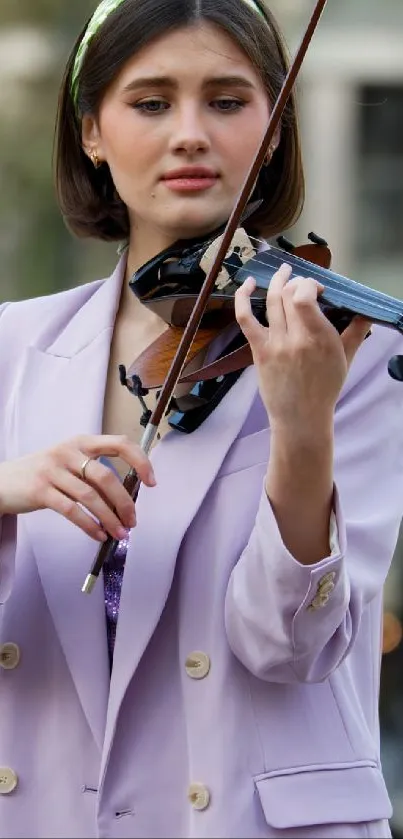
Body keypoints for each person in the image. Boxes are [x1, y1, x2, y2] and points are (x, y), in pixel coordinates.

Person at [0, 0, 402, 836]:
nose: (190, 133)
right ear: (91, 132)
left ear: (274, 128)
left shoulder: (348, 356)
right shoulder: (11, 347)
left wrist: (300, 431)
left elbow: (288, 649)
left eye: (226, 102)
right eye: (150, 102)